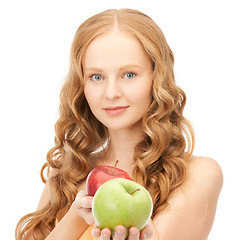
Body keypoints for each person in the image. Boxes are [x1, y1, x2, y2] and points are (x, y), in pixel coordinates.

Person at [16, 8, 223, 240]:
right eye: (96, 77)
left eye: (129, 75)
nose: (111, 93)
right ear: (81, 85)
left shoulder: (196, 174)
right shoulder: (67, 169)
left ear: (157, 78)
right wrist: (78, 215)